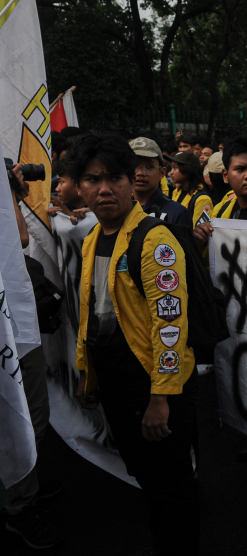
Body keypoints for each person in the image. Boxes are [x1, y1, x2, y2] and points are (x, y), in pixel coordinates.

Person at [69, 133, 199, 555]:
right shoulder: (93, 238)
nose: (104, 189)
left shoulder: (154, 240)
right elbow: (91, 313)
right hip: (116, 384)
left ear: (131, 181)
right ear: (79, 185)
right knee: (148, 475)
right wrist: (87, 375)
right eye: (92, 179)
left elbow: (171, 326)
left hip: (153, 386)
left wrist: (160, 398)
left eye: (115, 178)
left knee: (170, 485)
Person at [3, 164, 63, 550]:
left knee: (28, 413)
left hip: (16, 325)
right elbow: (20, 237)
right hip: (13, 333)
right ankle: (18, 505)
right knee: (24, 415)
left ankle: (25, 484)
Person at [129, 137, 192, 228]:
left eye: (149, 166)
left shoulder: (176, 213)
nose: (140, 173)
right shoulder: (118, 211)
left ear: (162, 173)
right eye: (134, 165)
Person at [165, 151, 214, 227]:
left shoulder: (202, 199)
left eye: (175, 168)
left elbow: (198, 233)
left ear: (187, 170)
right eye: (171, 168)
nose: (171, 172)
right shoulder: (176, 192)